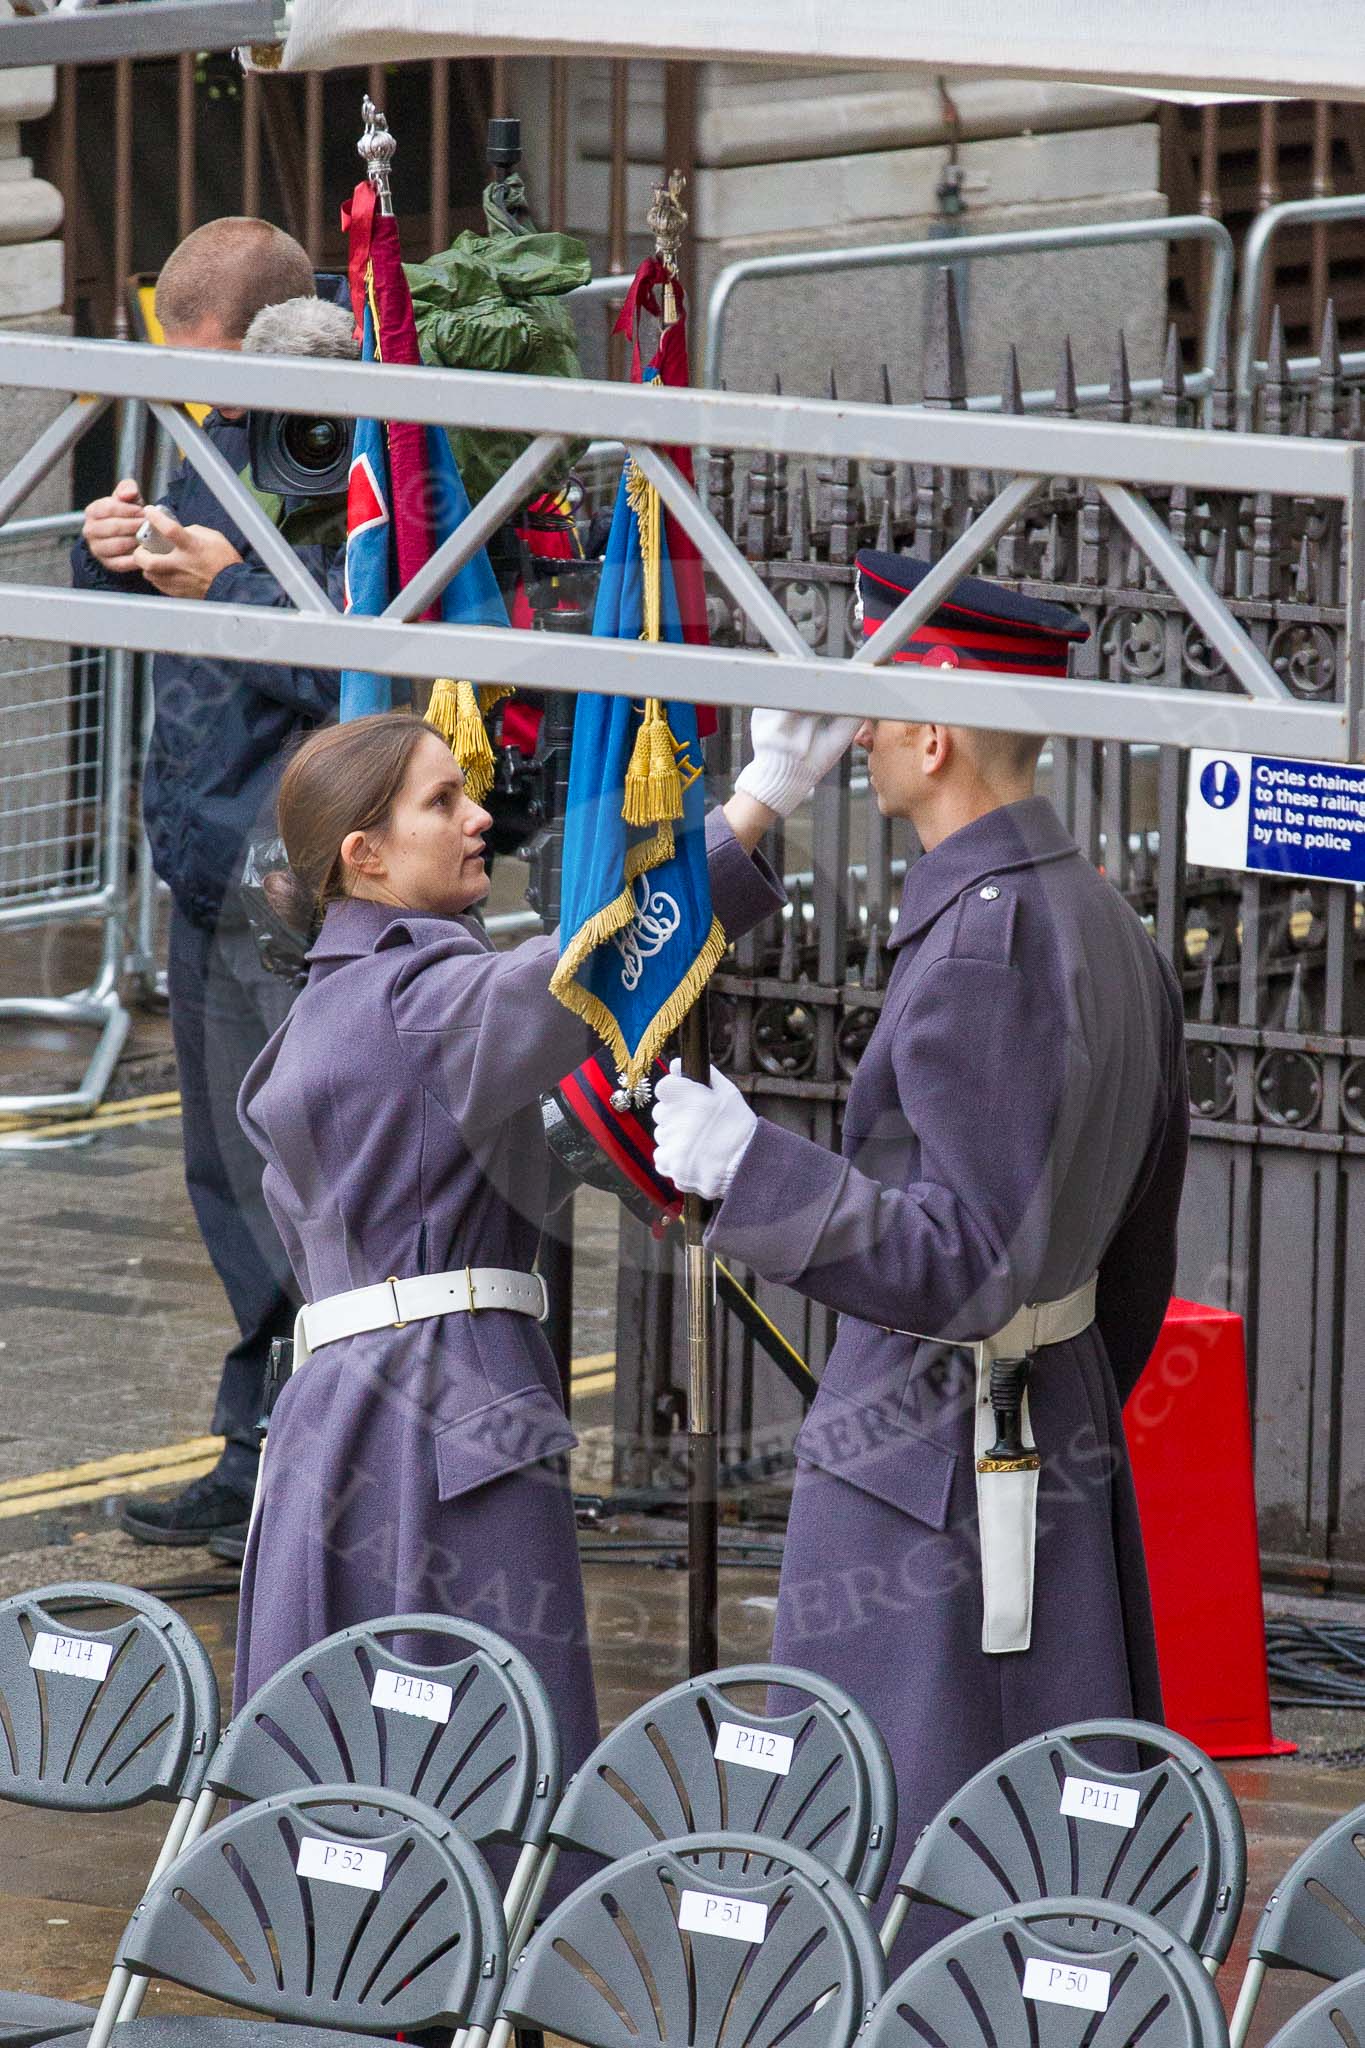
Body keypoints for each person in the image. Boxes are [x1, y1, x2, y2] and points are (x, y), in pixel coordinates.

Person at [653, 549, 1188, 1953]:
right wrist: (1059, 1379)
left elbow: (961, 1266)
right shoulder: (1098, 918)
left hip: (943, 1461)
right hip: (1037, 1416)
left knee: (907, 1880)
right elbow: (1135, 1255)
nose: (868, 741)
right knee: (1025, 1867)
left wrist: (752, 1173)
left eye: (883, 715)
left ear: (934, 732)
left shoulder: (982, 948)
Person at [232, 707, 848, 1844]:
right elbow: (590, 965)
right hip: (435, 1413)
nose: (478, 816)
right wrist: (759, 802)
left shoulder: (350, 996)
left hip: (354, 1412)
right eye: (438, 801)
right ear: (360, 855)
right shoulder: (415, 1003)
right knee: (475, 1769)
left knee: (377, 1765)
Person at [72, 220, 349, 1547]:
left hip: (291, 871)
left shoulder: (356, 439)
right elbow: (158, 601)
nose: (204, 402)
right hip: (199, 852)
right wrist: (109, 546)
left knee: (298, 1173)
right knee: (225, 1175)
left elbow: (372, 671)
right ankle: (256, 1441)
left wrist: (231, 579)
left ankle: (316, 1451)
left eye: (217, 374)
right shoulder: (225, 425)